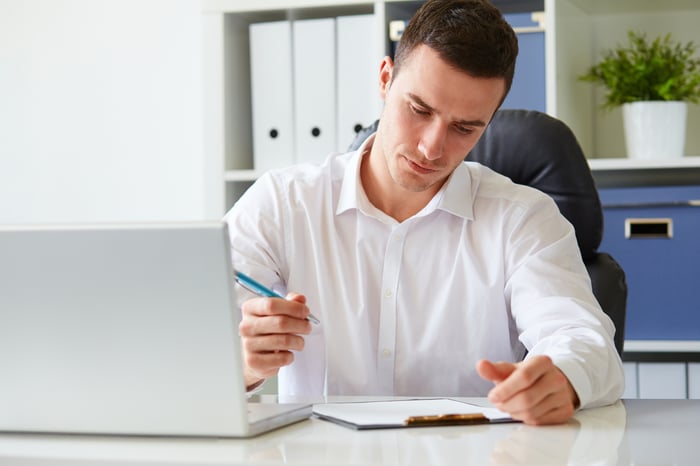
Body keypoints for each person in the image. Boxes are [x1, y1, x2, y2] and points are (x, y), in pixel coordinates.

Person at [224, 0, 624, 425]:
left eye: (464, 128)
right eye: (419, 110)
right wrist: (244, 365)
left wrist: (563, 378)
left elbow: (586, 342)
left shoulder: (523, 218)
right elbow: (189, 350)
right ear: (384, 79)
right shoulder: (284, 202)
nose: (432, 148)